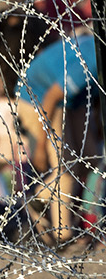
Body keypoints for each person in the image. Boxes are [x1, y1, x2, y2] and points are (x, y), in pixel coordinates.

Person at [15, 27, 100, 246]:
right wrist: (42, 146)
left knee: (92, 159)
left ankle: (40, 198)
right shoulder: (90, 63)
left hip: (70, 102)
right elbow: (52, 97)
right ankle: (64, 235)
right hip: (36, 96)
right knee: (65, 168)